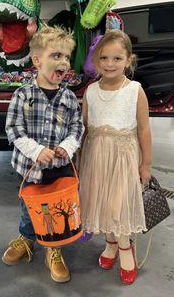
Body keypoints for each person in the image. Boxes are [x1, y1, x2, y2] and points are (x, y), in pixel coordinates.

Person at [2, 25, 84, 283]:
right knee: (31, 206)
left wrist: (67, 147)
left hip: (59, 168)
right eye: (56, 55)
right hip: (29, 166)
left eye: (66, 57)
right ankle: (26, 238)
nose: (64, 62)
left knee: (55, 208)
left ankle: (53, 248)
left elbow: (77, 128)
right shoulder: (23, 94)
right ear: (37, 60)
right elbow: (14, 129)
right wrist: (36, 151)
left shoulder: (70, 98)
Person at [79, 30, 152, 285]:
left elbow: (143, 129)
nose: (110, 64)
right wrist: (78, 160)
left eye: (117, 59)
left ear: (129, 60)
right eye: (104, 58)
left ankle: (124, 249)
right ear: (96, 60)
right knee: (101, 202)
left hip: (123, 158)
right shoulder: (90, 91)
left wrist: (146, 164)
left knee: (117, 206)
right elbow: (85, 127)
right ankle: (110, 244)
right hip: (96, 157)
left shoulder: (134, 90)